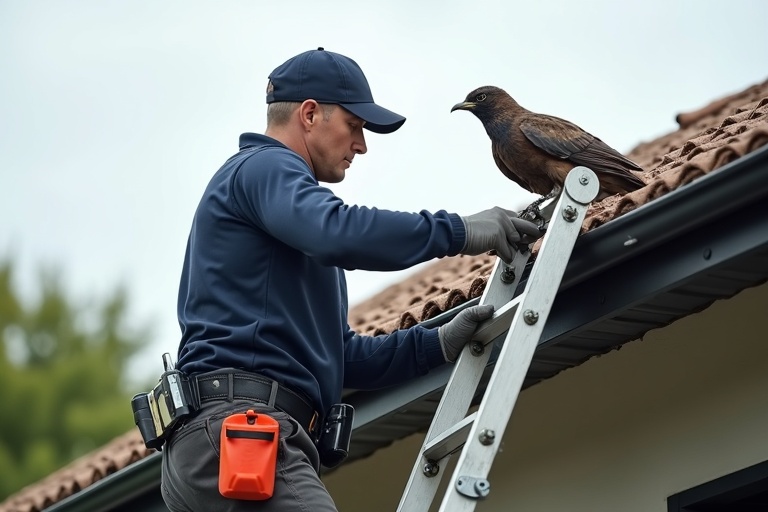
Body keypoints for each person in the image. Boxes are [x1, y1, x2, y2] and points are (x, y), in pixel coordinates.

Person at [160, 47, 540, 511]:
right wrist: (459, 230)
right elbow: (337, 231)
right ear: (309, 114)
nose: (361, 145)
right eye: (355, 126)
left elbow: (340, 356)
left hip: (224, 441)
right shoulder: (266, 169)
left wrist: (435, 342)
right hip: (243, 434)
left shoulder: (284, 214)